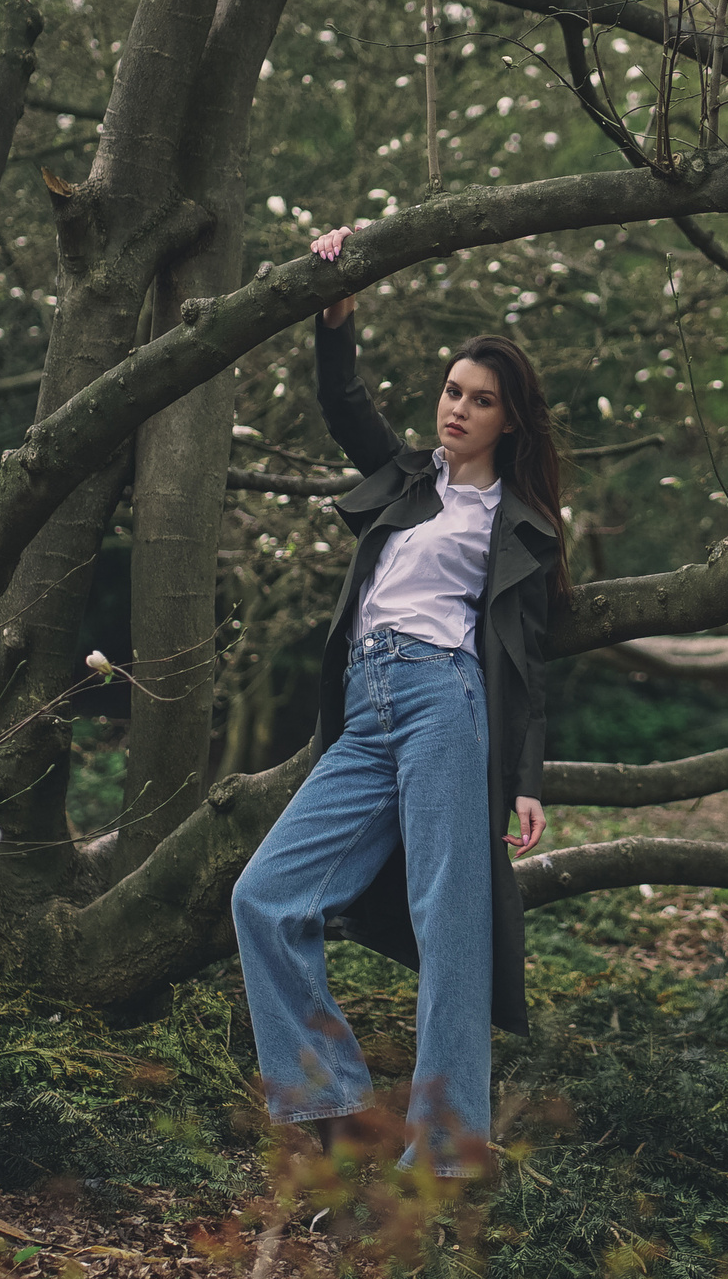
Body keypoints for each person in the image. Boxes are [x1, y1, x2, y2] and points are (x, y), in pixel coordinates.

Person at [231, 286, 568, 1180]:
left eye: (481, 400)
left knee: (450, 927)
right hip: (364, 708)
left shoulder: (519, 524)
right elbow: (343, 402)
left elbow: (528, 664)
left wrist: (526, 781)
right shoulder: (408, 477)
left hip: (443, 701)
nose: (458, 409)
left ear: (508, 421)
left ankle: (446, 1158)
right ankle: (336, 1112)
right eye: (452, 391)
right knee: (264, 897)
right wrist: (335, 318)